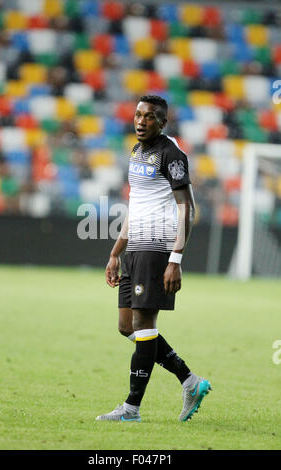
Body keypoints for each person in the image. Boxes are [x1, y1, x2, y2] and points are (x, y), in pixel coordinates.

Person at [96, 95, 211, 423]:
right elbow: (137, 206)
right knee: (125, 326)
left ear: (162, 122)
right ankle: (190, 381)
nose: (141, 121)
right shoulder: (136, 152)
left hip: (156, 248)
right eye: (138, 114)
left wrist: (175, 258)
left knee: (144, 325)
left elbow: (187, 207)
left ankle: (131, 409)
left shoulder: (171, 153)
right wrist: (116, 252)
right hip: (134, 249)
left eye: (149, 117)